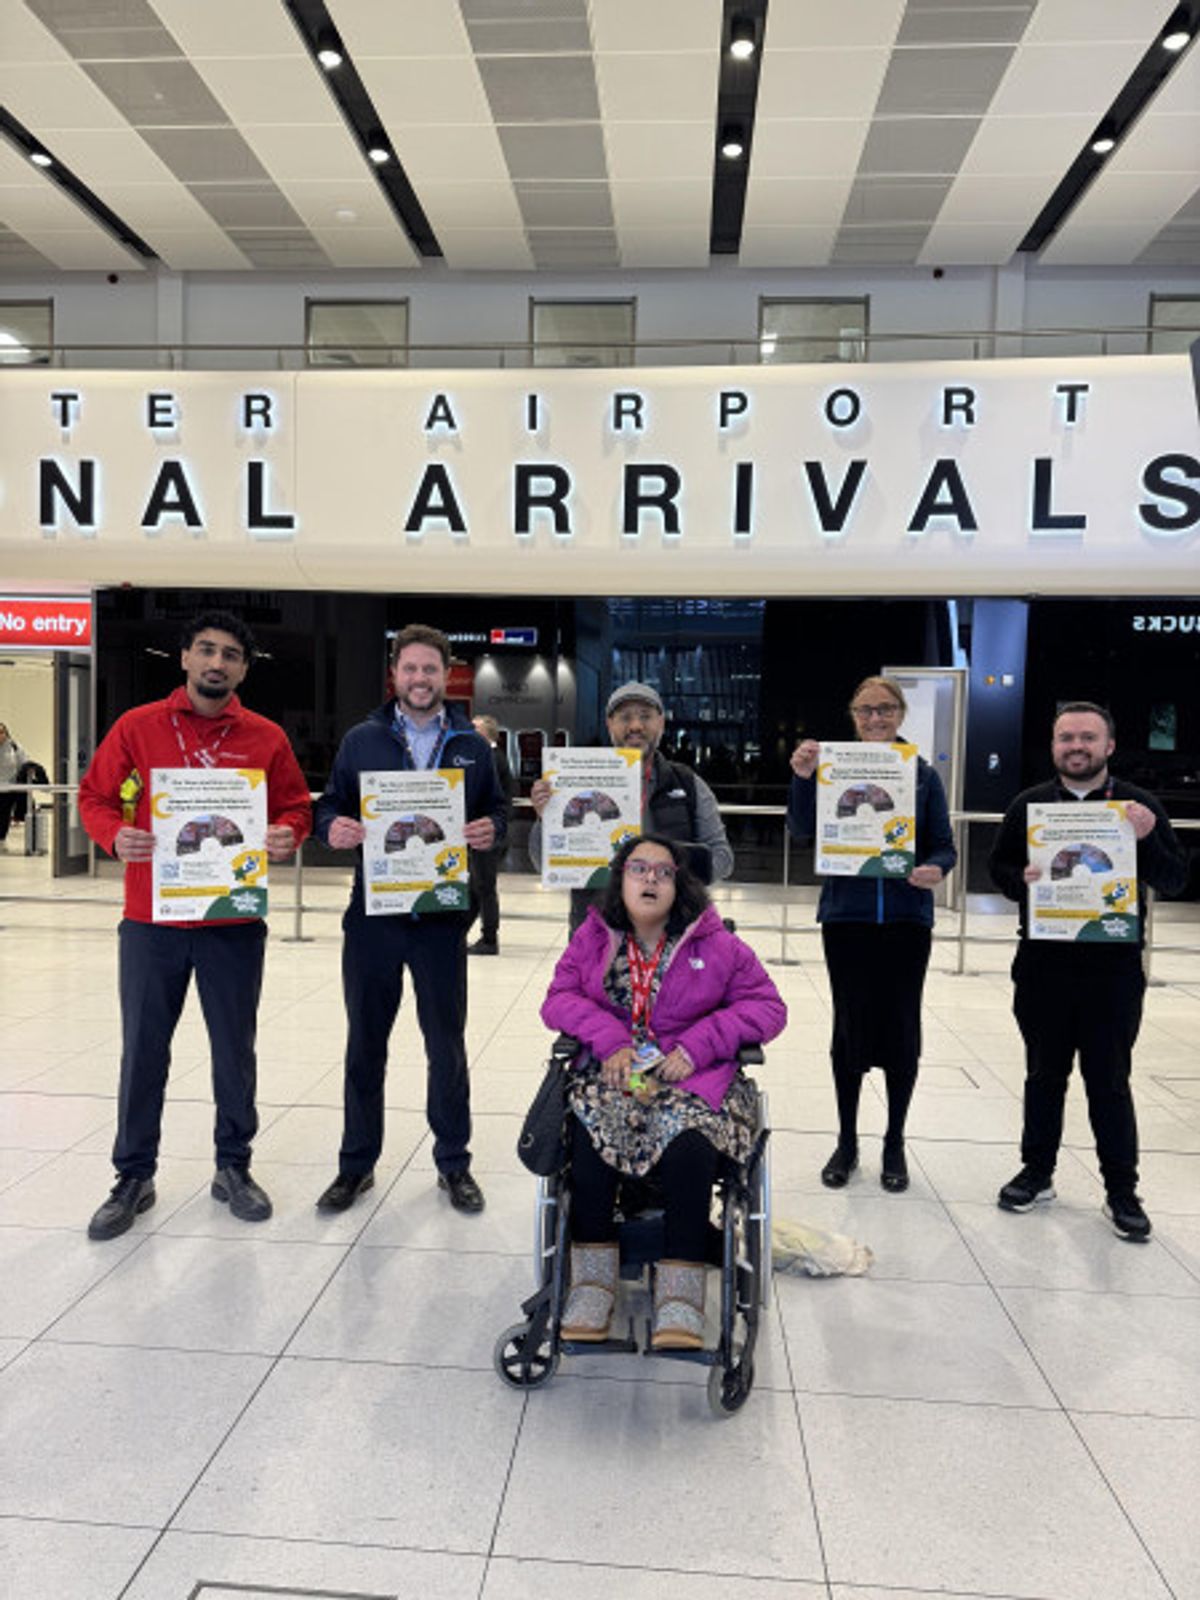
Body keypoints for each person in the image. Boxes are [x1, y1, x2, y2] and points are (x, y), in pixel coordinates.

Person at [78, 610, 312, 1240]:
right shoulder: (138, 727)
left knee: (234, 1049)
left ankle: (233, 1166)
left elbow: (294, 806)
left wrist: (287, 833)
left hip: (231, 920)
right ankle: (133, 1175)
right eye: (206, 650)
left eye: (230, 654)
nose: (217, 662)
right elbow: (95, 796)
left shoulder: (265, 737)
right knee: (143, 1050)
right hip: (152, 920)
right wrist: (113, 835)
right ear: (184, 657)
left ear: (243, 669)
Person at [541, 833, 786, 1348]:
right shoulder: (593, 937)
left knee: (690, 1141)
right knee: (586, 1131)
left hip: (691, 1076)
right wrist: (609, 1040)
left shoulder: (715, 943)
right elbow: (558, 998)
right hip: (616, 1073)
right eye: (639, 868)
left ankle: (680, 1291)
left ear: (680, 885)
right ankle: (592, 1283)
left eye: (664, 872)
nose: (650, 879)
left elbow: (768, 1007)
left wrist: (699, 1045)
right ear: (620, 879)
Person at [313, 623, 508, 1215]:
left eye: (430, 669)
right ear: (394, 674)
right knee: (365, 1044)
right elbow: (330, 803)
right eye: (410, 668)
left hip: (442, 917)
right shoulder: (362, 740)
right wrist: (332, 827)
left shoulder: (471, 744)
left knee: (445, 1045)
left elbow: (498, 810)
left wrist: (492, 830)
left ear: (445, 675)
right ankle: (356, 1165)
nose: (420, 679)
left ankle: (454, 1162)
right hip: (374, 915)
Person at [988, 701, 1185, 1242]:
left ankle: (1122, 1190)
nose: (1076, 746)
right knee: (1043, 1075)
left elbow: (1174, 879)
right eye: (1066, 738)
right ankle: (1037, 1172)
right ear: (1054, 746)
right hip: (1043, 966)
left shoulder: (1138, 807)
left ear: (1109, 746)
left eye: (1087, 738)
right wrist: (1022, 878)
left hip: (1113, 970)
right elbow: (999, 868)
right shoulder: (1030, 805)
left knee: (1109, 1081)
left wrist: (1148, 837)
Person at [788, 676, 956, 1193]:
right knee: (849, 1031)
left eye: (885, 709)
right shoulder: (831, 771)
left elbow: (944, 846)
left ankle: (895, 1141)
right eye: (865, 710)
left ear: (901, 713)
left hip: (906, 921)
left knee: (902, 1030)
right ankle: (847, 1140)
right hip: (847, 919)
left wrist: (935, 868)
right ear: (853, 716)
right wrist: (803, 779)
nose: (875, 718)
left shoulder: (922, 776)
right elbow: (801, 829)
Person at [529, 681, 734, 932]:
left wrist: (667, 872)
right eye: (625, 717)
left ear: (661, 723)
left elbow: (723, 858)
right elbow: (542, 862)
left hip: (670, 932)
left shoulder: (688, 784)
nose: (635, 726)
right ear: (609, 724)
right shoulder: (578, 781)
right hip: (598, 932)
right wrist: (546, 817)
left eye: (645, 716)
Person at [467, 713, 514, 955]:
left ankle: (489, 939)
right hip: (483, 832)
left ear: (487, 734)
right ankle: (461, 932)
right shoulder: (491, 757)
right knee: (476, 887)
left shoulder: (492, 758)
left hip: (488, 834)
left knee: (484, 887)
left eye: (474, 729)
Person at [0, 722, 30, 850]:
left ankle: (1, 840)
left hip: (9, 787)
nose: (0, 735)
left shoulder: (15, 747)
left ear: (6, 734)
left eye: (1, 732)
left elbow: (24, 763)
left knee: (4, 815)